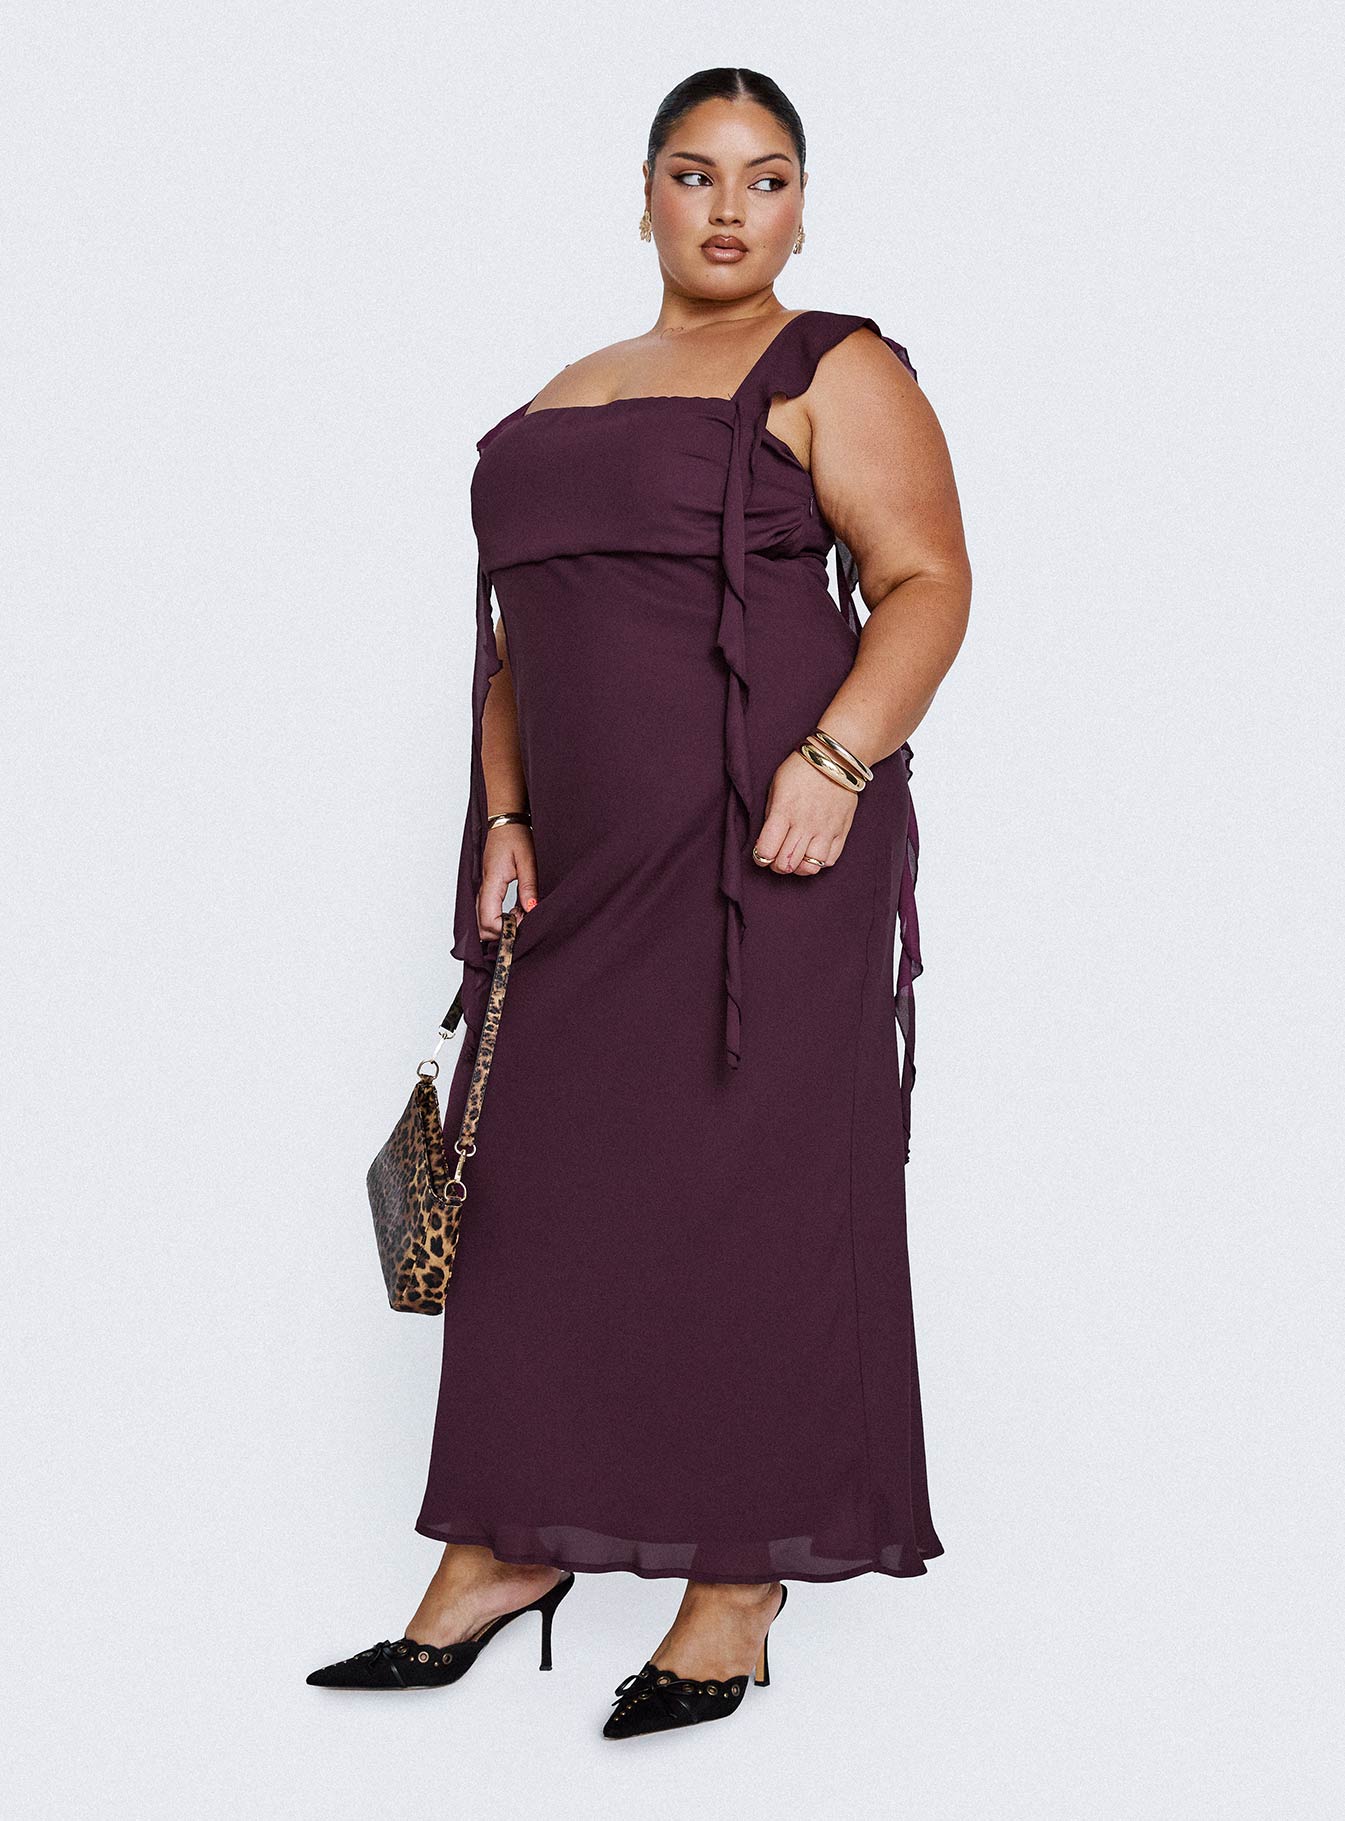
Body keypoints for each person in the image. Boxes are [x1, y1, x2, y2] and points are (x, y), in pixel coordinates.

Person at [308, 65, 972, 1740]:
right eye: (694, 173)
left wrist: (834, 760)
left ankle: (735, 1587)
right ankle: (503, 1542)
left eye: (765, 176)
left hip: (769, 859)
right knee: (538, 1194)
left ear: (801, 205)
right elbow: (518, 643)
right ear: (646, 196)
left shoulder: (836, 365)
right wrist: (504, 815)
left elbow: (926, 582)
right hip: (588, 870)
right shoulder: (564, 392)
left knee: (754, 1200)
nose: (729, 207)